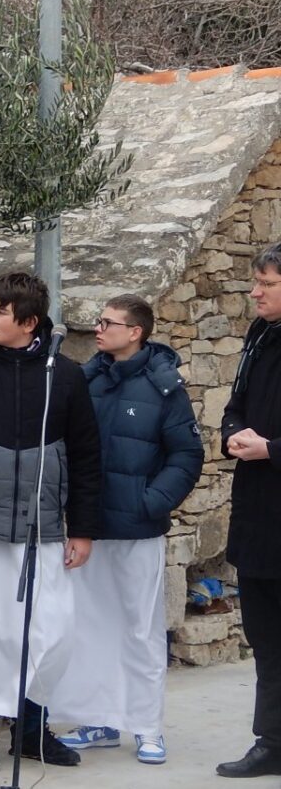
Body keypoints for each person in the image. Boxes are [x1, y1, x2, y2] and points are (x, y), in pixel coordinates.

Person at [0, 272, 101, 772]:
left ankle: (32, 727)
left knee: (51, 630)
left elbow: (85, 455)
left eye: (0, 310)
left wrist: (81, 528)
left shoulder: (64, 375)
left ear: (30, 321)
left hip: (43, 531)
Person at [48, 294, 203, 765]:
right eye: (98, 321)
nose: (97, 330)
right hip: (89, 527)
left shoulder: (164, 387)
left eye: (107, 323)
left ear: (135, 331)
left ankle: (147, 726)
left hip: (137, 530)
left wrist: (149, 502)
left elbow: (186, 455)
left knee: (141, 630)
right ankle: (100, 719)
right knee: (91, 626)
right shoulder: (86, 378)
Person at [216, 242, 281, 779]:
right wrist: (233, 434)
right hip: (260, 515)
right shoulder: (259, 335)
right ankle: (272, 741)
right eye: (255, 281)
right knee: (266, 637)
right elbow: (235, 403)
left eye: (267, 283)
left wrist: (272, 450)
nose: (254, 291)